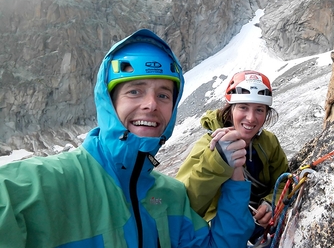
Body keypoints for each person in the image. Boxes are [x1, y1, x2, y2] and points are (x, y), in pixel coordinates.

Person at [0, 29, 254, 248]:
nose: (151, 104)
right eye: (135, 91)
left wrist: (235, 177)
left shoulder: (171, 195)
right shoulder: (35, 185)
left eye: (164, 95)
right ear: (109, 103)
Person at [176, 70, 289, 244]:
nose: (251, 118)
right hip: (222, 232)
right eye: (243, 107)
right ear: (230, 110)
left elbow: (283, 181)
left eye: (259, 109)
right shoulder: (208, 146)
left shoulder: (269, 142)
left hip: (259, 227)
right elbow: (185, 205)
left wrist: (270, 203)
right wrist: (217, 161)